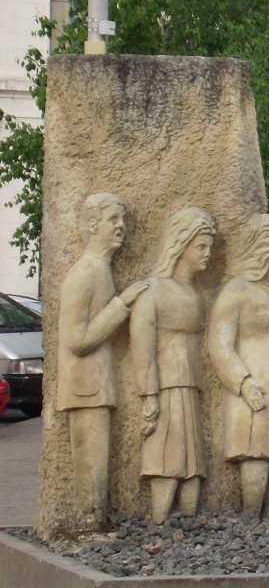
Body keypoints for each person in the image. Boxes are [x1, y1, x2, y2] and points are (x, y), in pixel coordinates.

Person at [57, 192, 148, 531]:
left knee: (98, 460)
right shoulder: (85, 273)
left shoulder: (100, 270)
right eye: (114, 219)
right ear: (93, 224)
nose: (121, 226)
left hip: (95, 384)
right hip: (84, 387)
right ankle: (87, 525)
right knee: (90, 461)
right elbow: (77, 341)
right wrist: (121, 304)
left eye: (122, 219)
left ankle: (94, 521)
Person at [130, 207, 216, 524]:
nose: (207, 254)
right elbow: (142, 348)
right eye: (201, 246)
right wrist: (149, 394)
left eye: (210, 247)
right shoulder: (152, 291)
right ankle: (159, 519)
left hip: (190, 385)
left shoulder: (194, 294)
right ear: (181, 244)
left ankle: (189, 521)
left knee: (193, 461)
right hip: (165, 386)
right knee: (166, 456)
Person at [208, 213, 269, 518]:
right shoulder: (238, 290)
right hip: (252, 387)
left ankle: (268, 520)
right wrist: (243, 382)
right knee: (255, 452)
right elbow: (219, 344)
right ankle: (249, 518)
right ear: (265, 249)